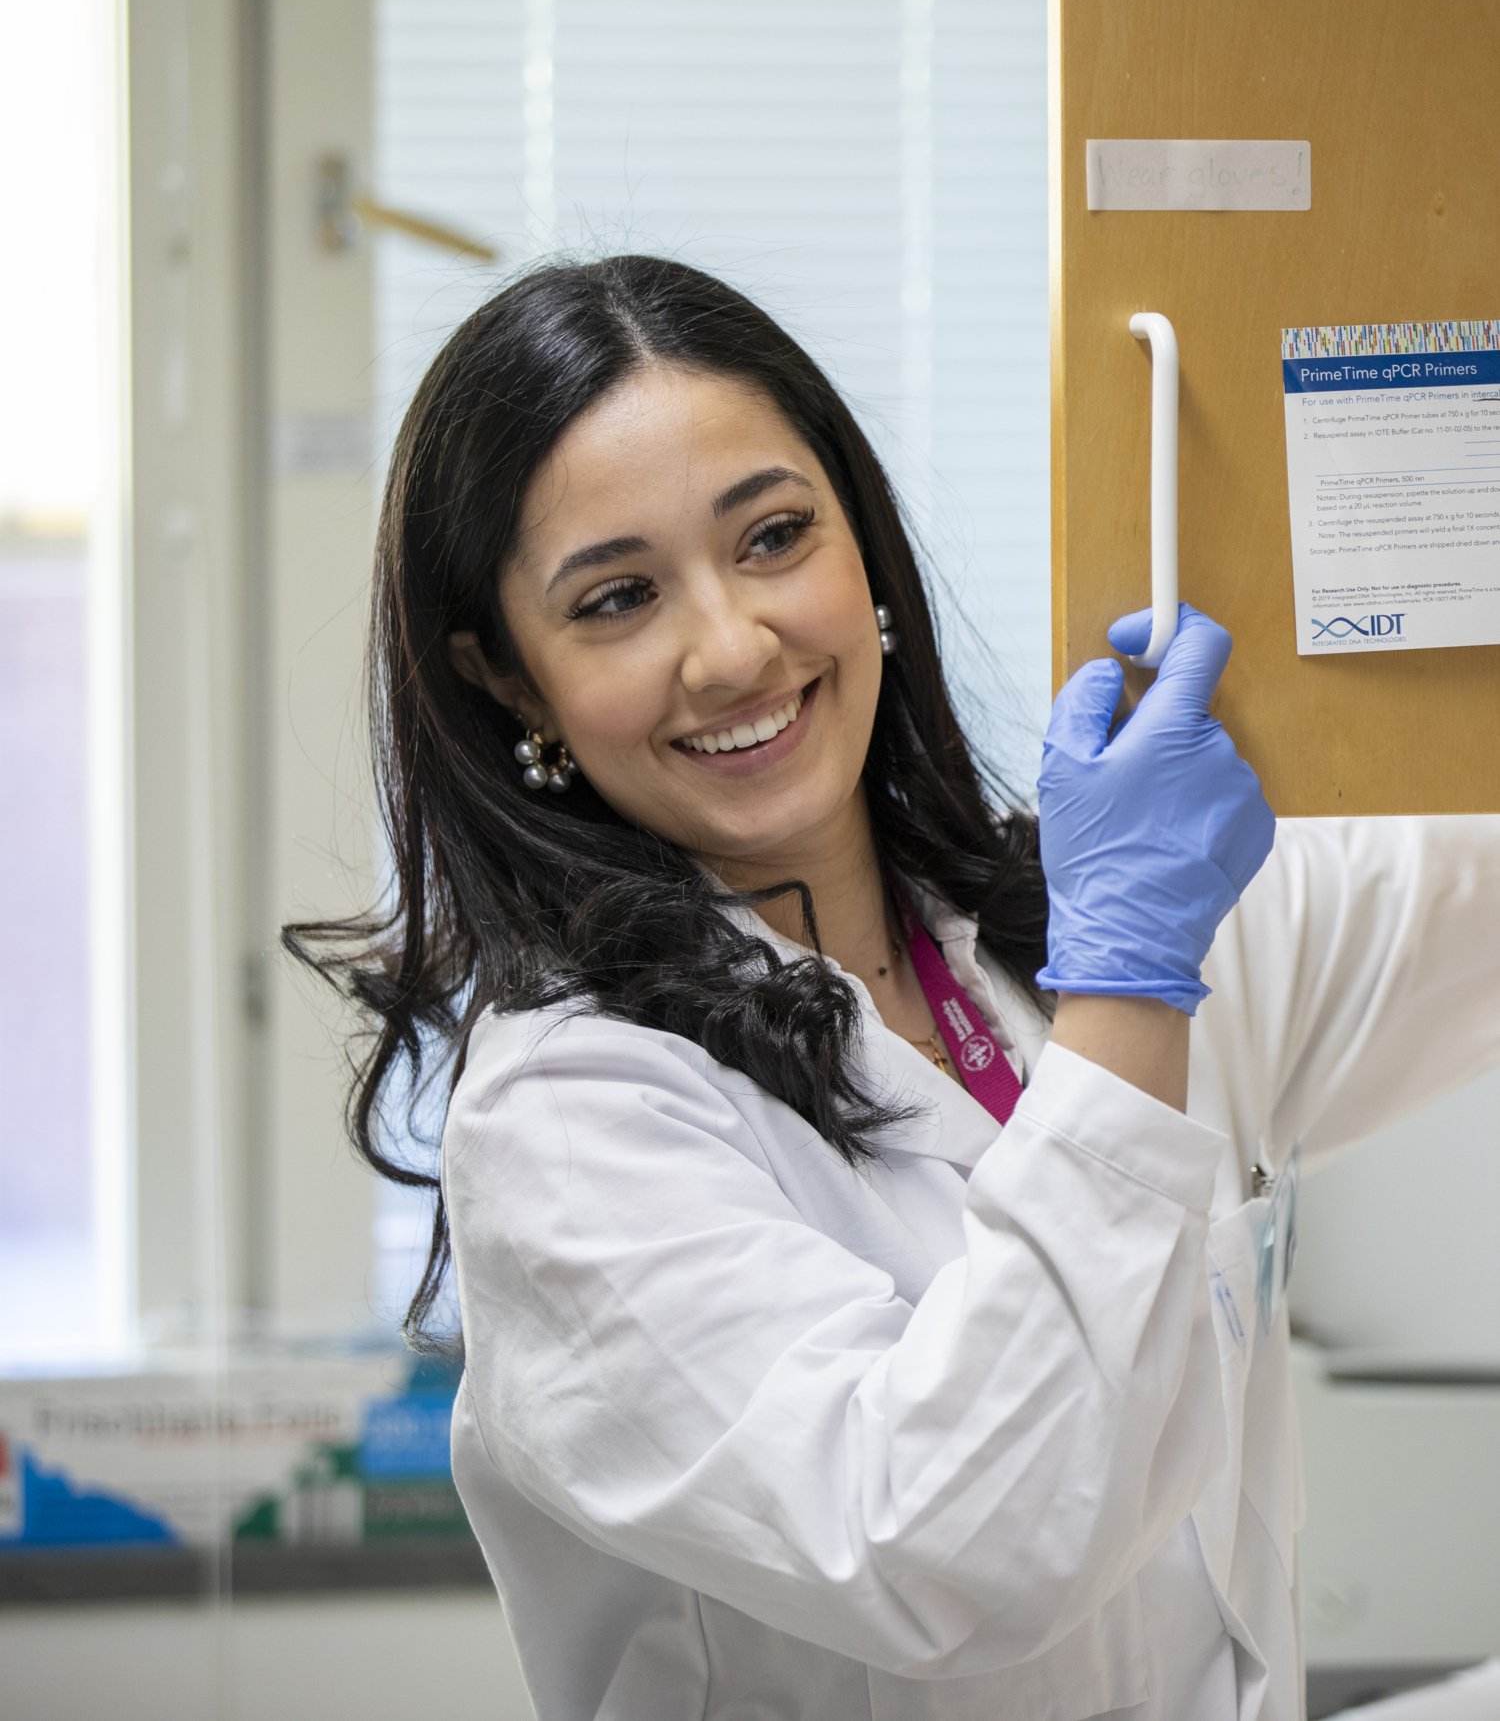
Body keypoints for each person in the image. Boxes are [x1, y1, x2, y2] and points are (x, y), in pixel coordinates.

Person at [282, 254, 1500, 1721]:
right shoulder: (569, 1115)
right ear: (510, 681)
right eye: (616, 599)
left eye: (776, 536)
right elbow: (952, 1549)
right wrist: (1129, 981)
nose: (732, 648)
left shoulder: (1036, 937)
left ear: (864, 553)